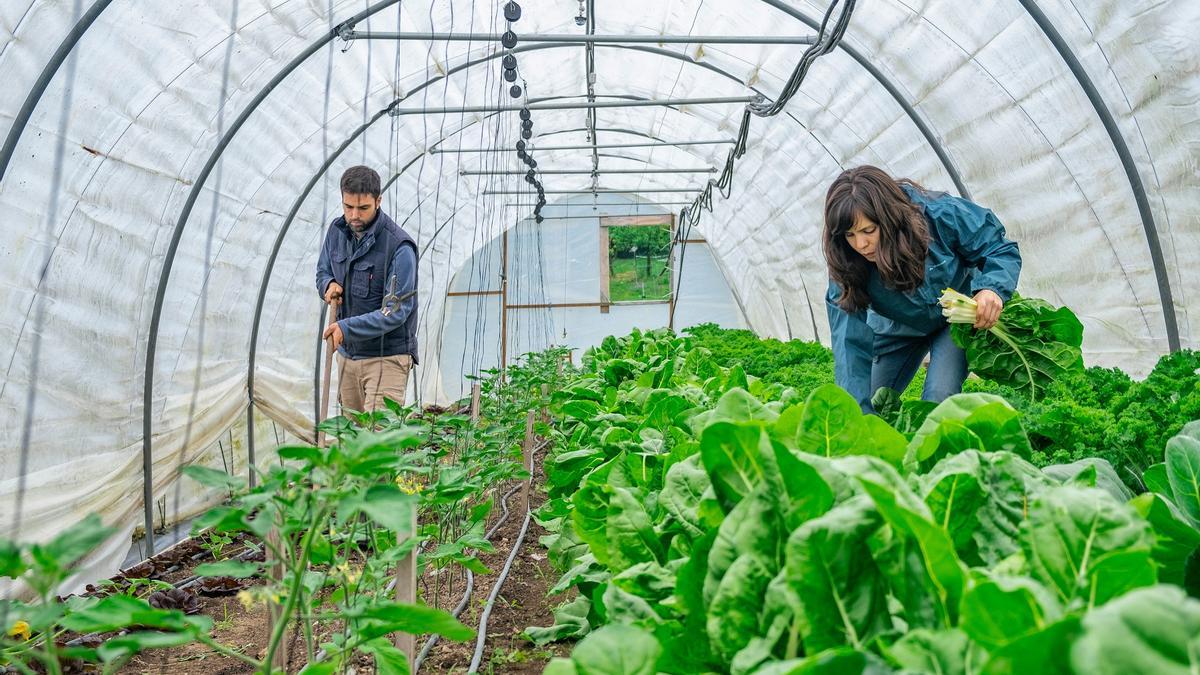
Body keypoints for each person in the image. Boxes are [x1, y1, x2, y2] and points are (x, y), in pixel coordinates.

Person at [823, 165, 1021, 413]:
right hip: (897, 326)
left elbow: (997, 248)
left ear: (889, 217)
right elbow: (847, 343)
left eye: (868, 231)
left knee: (938, 399)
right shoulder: (846, 265)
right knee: (862, 403)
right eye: (850, 235)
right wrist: (853, 418)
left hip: (954, 321)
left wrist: (992, 289)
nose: (861, 244)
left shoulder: (939, 214)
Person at [316, 165, 419, 414]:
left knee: (379, 442)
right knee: (353, 441)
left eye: (363, 208)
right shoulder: (337, 232)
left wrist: (346, 327)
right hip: (348, 357)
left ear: (378, 201)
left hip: (387, 358)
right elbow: (323, 270)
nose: (354, 215)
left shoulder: (398, 247)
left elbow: (395, 311)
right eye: (348, 207)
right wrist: (328, 285)